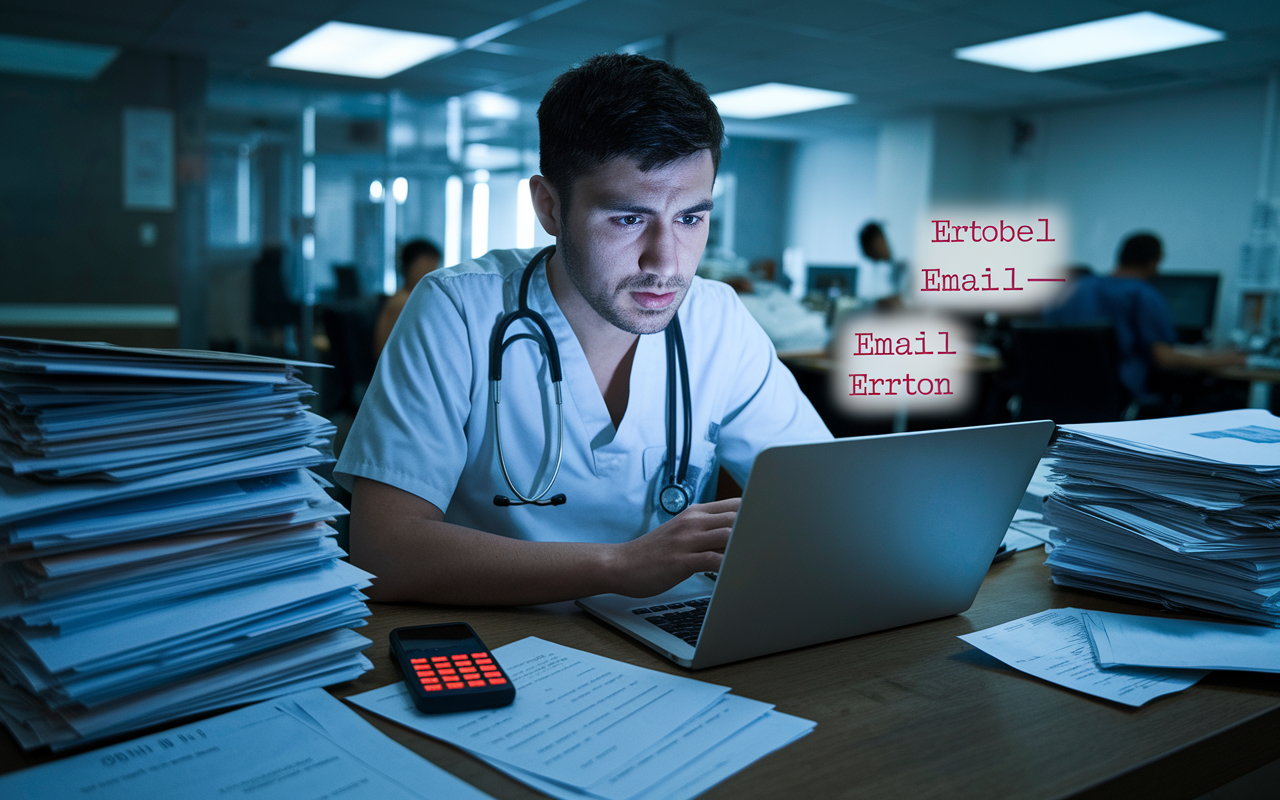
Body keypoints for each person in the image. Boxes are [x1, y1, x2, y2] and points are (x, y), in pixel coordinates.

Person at [334, 54, 831, 607]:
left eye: (691, 218)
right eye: (627, 217)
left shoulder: (719, 320)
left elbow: (824, 496)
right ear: (549, 206)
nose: (666, 261)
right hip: (502, 640)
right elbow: (382, 551)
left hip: (668, 640)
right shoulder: (455, 309)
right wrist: (616, 565)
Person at [1043, 232, 1244, 403]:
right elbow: (1165, 359)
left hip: (1055, 393)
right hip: (1118, 396)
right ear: (1154, 262)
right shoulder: (1141, 294)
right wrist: (1225, 359)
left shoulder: (1075, 287)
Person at [373, 239, 441, 359]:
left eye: (434, 267)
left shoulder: (409, 298)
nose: (431, 274)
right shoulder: (403, 302)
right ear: (408, 268)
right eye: (425, 268)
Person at [857, 221, 905, 308]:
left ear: (877, 242)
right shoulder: (894, 268)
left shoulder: (907, 263)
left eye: (872, 254)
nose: (874, 261)